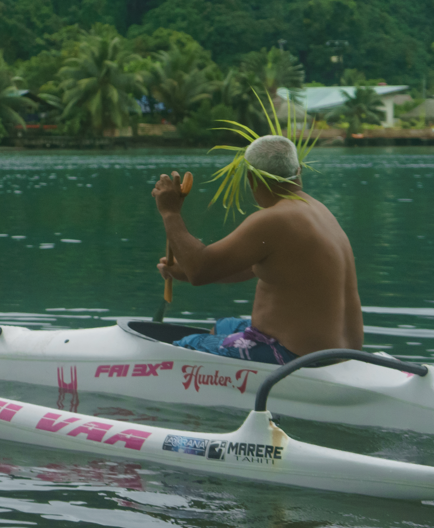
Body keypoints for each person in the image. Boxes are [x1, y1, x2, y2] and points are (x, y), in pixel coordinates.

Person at [152, 134, 363, 365]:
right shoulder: (318, 210)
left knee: (184, 347)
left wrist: (170, 213)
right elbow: (244, 269)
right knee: (222, 327)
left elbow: (199, 270)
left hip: (299, 358)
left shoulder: (274, 220)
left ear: (251, 178)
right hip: (341, 352)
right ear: (299, 170)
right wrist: (179, 270)